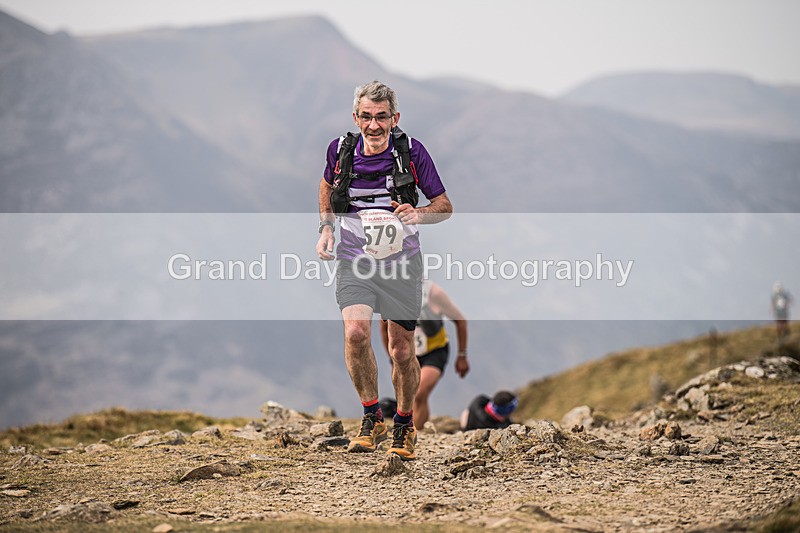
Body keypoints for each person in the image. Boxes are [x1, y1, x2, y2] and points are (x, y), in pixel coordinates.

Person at [316, 81, 453, 461]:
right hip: (353, 260)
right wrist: (326, 228)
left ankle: (405, 424)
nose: (373, 125)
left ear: (394, 119)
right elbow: (327, 186)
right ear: (355, 117)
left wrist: (419, 214)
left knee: (402, 349)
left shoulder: (411, 153)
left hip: (402, 264)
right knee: (356, 333)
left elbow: (444, 205)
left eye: (381, 117)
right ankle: (372, 415)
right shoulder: (341, 150)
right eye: (366, 117)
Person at [378, 279, 470, 430]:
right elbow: (383, 328)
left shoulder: (434, 294)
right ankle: (415, 428)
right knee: (406, 395)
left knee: (419, 392)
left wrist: (462, 356)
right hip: (405, 353)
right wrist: (391, 356)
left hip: (434, 352)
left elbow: (461, 321)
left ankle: (412, 432)